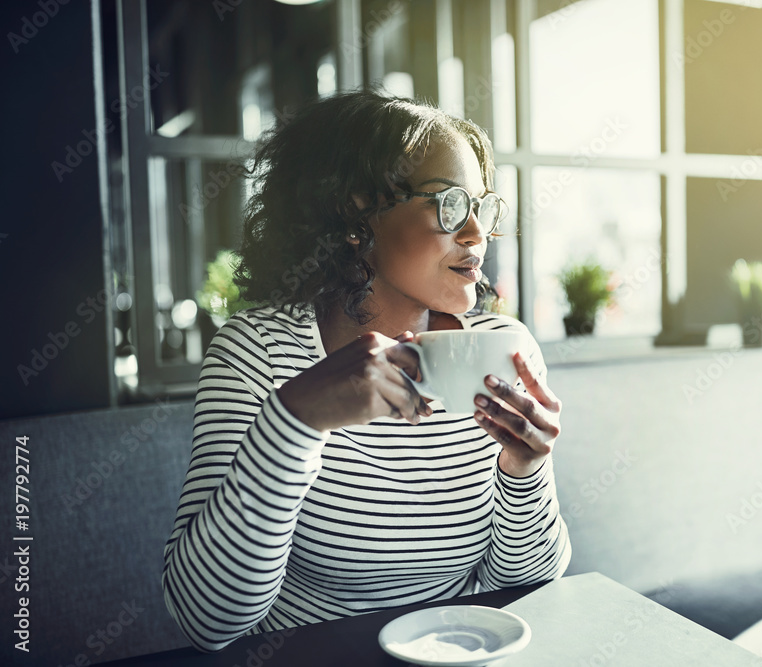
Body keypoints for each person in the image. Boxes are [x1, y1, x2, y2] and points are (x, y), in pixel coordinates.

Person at [161, 90, 571, 653]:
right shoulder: (256, 355)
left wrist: (523, 468)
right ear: (357, 216)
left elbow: (525, 585)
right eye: (448, 203)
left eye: (482, 206)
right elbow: (204, 620)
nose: (477, 233)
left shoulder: (503, 348)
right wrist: (295, 420)